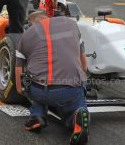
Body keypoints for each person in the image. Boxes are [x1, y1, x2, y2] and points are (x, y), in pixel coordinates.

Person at [15, 9, 89, 145]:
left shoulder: (25, 36)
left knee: (29, 81)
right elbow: (84, 66)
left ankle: (37, 114)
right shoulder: (71, 24)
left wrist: (23, 91)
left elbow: (19, 72)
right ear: (49, 17)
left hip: (40, 90)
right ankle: (76, 116)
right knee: (76, 98)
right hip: (70, 88)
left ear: (31, 24)